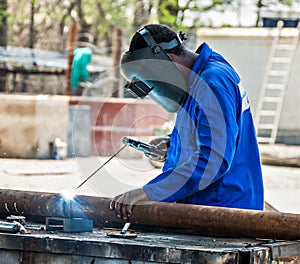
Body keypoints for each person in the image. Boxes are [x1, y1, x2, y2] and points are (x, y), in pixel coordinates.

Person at [109, 24, 264, 220]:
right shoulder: (196, 78)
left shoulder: (211, 83)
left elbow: (213, 161)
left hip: (222, 212)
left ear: (167, 63)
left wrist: (149, 192)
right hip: (204, 206)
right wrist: (171, 144)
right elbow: (206, 130)